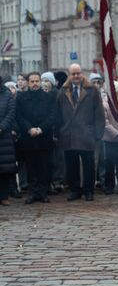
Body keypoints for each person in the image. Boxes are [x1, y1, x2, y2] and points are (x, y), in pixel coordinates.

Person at [56, 63, 105, 201]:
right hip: (69, 135)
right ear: (69, 75)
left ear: (82, 73)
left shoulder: (92, 90)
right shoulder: (63, 91)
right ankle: (74, 190)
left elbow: (99, 113)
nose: (76, 76)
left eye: (78, 73)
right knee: (71, 165)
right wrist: (60, 130)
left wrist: (98, 133)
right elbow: (58, 113)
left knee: (89, 165)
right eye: (73, 74)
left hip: (87, 134)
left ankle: (89, 191)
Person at [15, 72, 56, 204]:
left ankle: (43, 192)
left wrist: (41, 128)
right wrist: (29, 128)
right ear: (28, 82)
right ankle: (32, 193)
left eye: (37, 81)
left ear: (40, 81)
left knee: (44, 166)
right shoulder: (21, 97)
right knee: (30, 167)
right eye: (32, 81)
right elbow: (19, 116)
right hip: (28, 137)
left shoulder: (48, 97)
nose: (35, 84)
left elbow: (52, 115)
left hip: (44, 136)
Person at [0, 76, 17, 206]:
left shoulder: (7, 94)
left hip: (3, 136)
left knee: (4, 169)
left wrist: (2, 127)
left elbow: (11, 112)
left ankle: (4, 196)